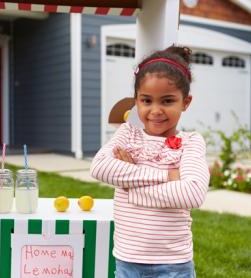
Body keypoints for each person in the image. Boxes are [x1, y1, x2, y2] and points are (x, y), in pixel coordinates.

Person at [90, 46, 210, 278]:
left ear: (185, 102)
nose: (155, 110)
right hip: (128, 259)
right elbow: (99, 167)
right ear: (136, 101)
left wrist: (129, 184)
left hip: (174, 262)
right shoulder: (128, 134)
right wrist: (167, 175)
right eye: (146, 100)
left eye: (167, 101)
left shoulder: (191, 142)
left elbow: (192, 194)